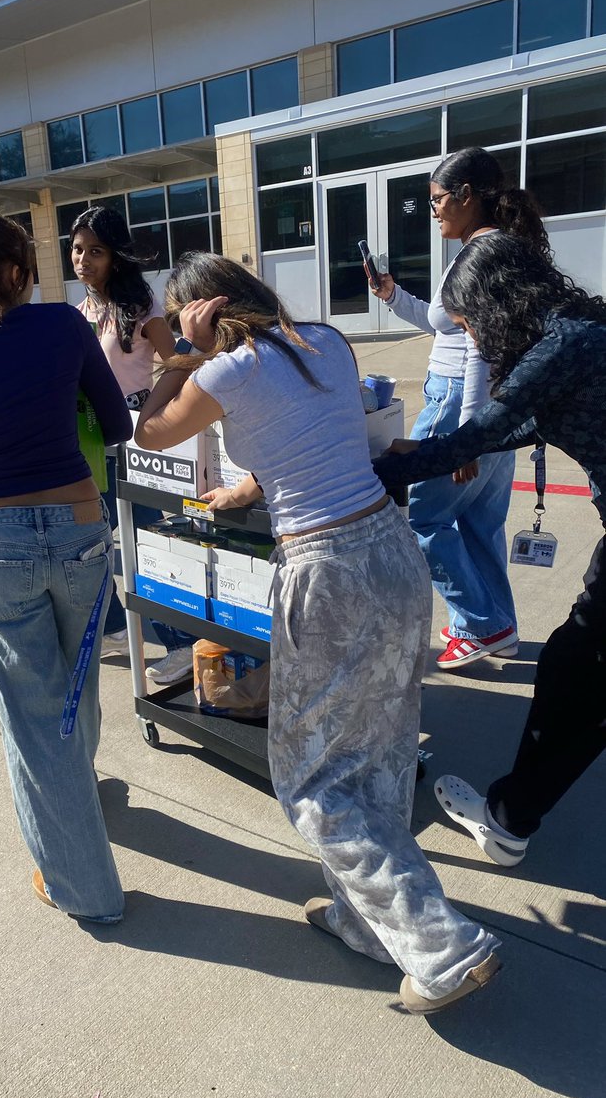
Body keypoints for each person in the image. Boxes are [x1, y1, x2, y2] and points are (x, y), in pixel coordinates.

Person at [136, 251, 500, 1015]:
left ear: (202, 310)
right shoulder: (326, 341)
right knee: (380, 751)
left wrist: (177, 355)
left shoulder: (221, 370)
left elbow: (153, 432)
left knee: (312, 779)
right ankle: (365, 922)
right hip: (389, 551)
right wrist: (252, 481)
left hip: (327, 570)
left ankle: (442, 945)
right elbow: (315, 432)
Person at [0, 196, 132, 923]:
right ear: (17, 272)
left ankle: (84, 889)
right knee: (79, 676)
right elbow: (116, 423)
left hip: (1, 537)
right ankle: (79, 788)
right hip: (81, 526)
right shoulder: (65, 325)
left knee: (33, 712)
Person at [375, 232, 606, 868]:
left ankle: (507, 823)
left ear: (496, 305)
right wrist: (420, 453)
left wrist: (373, 473)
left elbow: (486, 431)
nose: (471, 337)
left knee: (573, 674)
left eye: (470, 321)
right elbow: (507, 431)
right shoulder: (581, 330)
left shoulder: (558, 349)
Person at [367, 147, 549, 670]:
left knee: (425, 517)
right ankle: (498, 628)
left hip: (460, 401)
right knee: (478, 522)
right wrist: (393, 296)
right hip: (501, 404)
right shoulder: (500, 250)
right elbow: (446, 326)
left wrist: (468, 435)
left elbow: (478, 349)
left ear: (466, 195)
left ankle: (481, 625)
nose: (434, 211)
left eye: (437, 199)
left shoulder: (478, 256)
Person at [70, 205, 198, 685]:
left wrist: (154, 408)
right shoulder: (82, 311)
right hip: (90, 440)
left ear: (115, 256)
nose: (83, 260)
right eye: (77, 250)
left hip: (131, 442)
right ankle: (116, 628)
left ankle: (183, 643)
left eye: (96, 251)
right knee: (92, 542)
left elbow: (179, 362)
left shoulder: (141, 306)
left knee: (146, 542)